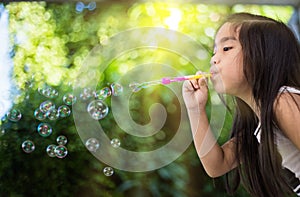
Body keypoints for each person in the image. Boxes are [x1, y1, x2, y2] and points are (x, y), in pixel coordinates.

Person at [182, 12, 300, 197]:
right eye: (214, 52)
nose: (214, 59)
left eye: (226, 48)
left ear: (263, 55)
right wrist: (195, 108)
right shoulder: (261, 124)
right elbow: (216, 165)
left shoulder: (283, 101)